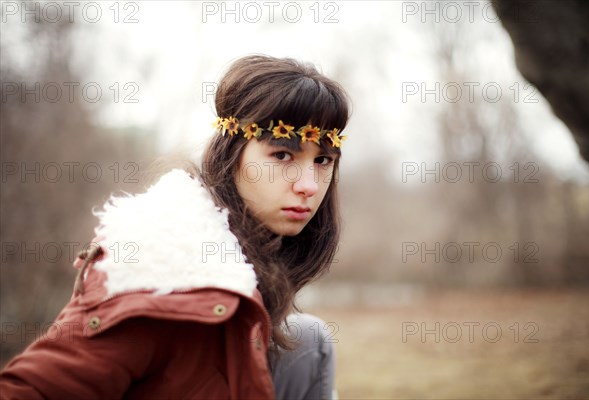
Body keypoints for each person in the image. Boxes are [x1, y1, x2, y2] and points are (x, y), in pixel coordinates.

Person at [0, 54, 350, 399]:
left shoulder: (243, 263)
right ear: (232, 157)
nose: (309, 185)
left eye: (322, 160)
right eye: (283, 155)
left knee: (307, 341)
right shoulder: (160, 274)